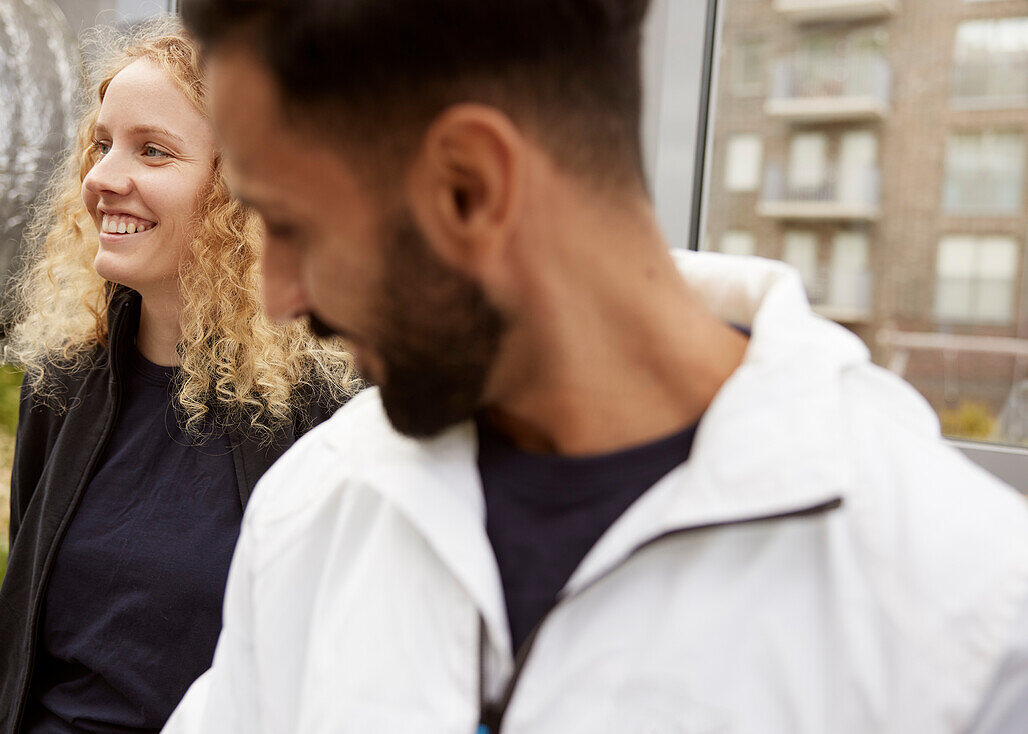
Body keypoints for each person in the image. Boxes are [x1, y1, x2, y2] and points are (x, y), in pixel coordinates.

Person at [166, 0, 1028, 731]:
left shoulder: (973, 621)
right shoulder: (316, 505)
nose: (276, 295)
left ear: (471, 185)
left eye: (290, 224)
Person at [0, 20, 354, 734]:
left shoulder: (331, 413)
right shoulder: (64, 382)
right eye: (101, 144)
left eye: (152, 151)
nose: (101, 179)